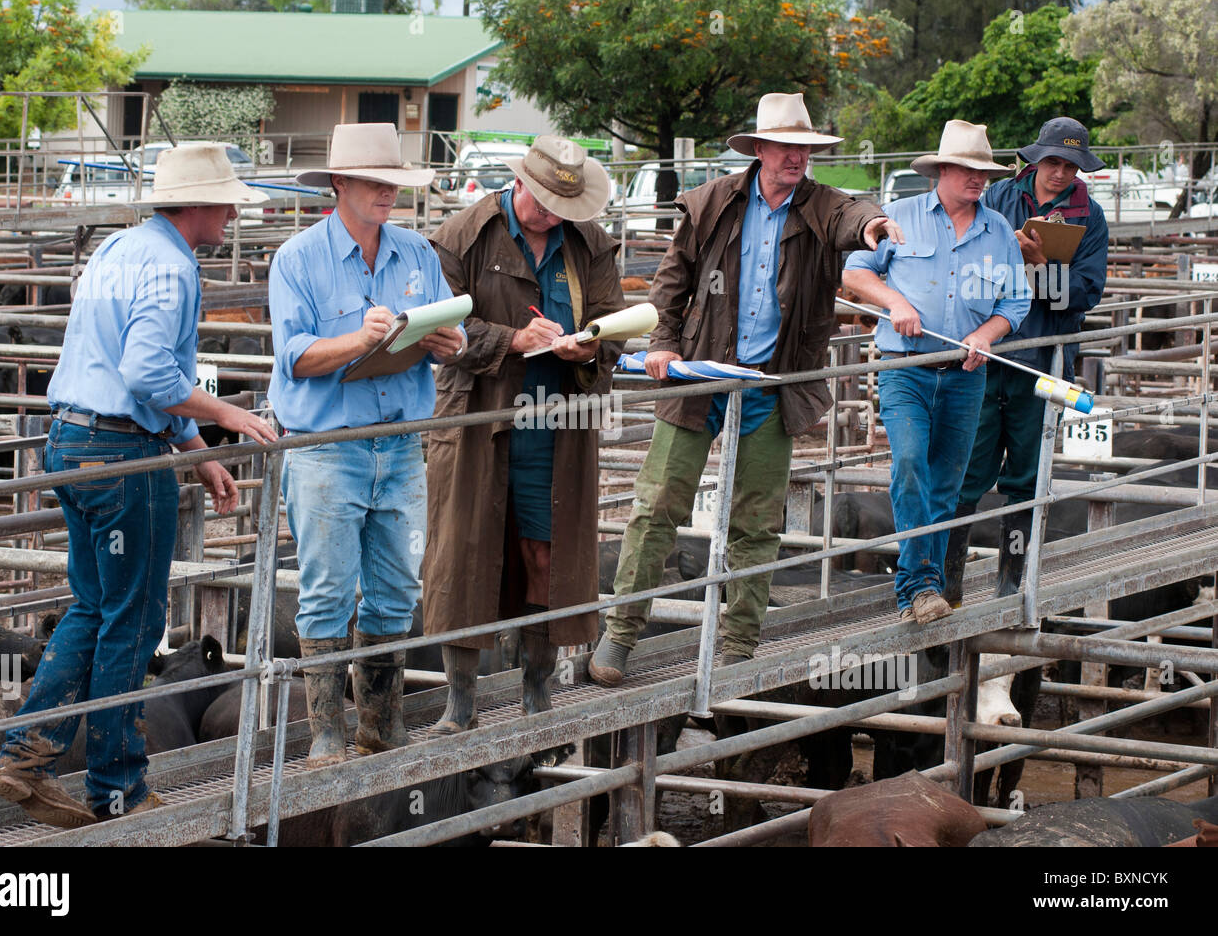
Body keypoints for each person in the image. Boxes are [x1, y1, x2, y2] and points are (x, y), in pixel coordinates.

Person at [0, 144, 277, 828]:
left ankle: (26, 752)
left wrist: (195, 449)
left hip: (72, 439)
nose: (235, 213)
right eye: (227, 201)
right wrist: (227, 414)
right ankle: (117, 783)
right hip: (123, 454)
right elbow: (149, 373)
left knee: (96, 605)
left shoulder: (121, 249)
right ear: (200, 204)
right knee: (136, 616)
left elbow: (126, 368)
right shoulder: (175, 268)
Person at [589, 93, 903, 686]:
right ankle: (621, 633)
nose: (795, 159)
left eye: (803, 150)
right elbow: (672, 281)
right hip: (700, 380)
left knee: (757, 522)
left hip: (769, 385)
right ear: (758, 150)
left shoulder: (820, 208)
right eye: (785, 147)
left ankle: (738, 642)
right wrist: (662, 342)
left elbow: (852, 214)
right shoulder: (712, 204)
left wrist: (874, 226)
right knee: (656, 507)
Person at [268, 123, 464, 765]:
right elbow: (294, 356)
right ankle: (327, 733)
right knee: (328, 587)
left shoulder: (418, 255)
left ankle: (380, 725)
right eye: (377, 184)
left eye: (394, 184)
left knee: (397, 584)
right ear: (340, 185)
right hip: (328, 446)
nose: (389, 195)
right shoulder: (297, 259)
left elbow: (446, 327)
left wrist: (447, 341)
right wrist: (361, 338)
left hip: (402, 444)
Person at [423, 136, 625, 733]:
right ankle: (459, 707)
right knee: (464, 553)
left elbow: (614, 320)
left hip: (559, 423)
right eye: (541, 201)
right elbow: (439, 328)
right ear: (519, 185)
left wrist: (591, 342)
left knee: (548, 551)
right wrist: (511, 340)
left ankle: (537, 693)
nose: (550, 213)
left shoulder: (590, 243)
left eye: (562, 205)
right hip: (477, 417)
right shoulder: (463, 234)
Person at [843, 120, 1031, 623]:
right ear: (942, 170)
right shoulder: (897, 217)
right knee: (908, 464)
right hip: (908, 367)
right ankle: (920, 586)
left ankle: (921, 589)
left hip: (966, 372)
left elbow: (1015, 301)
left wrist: (986, 335)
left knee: (947, 482)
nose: (978, 180)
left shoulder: (998, 233)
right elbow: (855, 270)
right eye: (969, 171)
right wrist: (894, 300)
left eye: (984, 173)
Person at [943, 117, 1109, 604]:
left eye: (1070, 166)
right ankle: (951, 582)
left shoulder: (1090, 216)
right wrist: (1010, 263)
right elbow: (969, 265)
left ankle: (1010, 582)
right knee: (969, 465)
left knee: (1026, 472)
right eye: (1053, 162)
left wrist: (1039, 268)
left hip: (1043, 359)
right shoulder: (997, 199)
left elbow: (1085, 293)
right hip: (989, 351)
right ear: (1035, 160)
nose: (1059, 174)